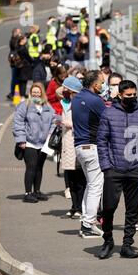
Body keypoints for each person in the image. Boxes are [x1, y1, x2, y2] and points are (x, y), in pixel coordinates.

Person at [97, 80, 138, 259]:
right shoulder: (108, 114)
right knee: (109, 207)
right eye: (128, 95)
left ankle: (127, 244)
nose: (132, 98)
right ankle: (108, 240)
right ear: (120, 95)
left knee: (132, 209)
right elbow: (102, 141)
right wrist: (106, 166)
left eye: (134, 95)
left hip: (135, 170)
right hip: (114, 169)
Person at [72, 70, 105, 238]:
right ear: (95, 84)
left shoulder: (77, 98)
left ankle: (86, 221)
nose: (104, 85)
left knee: (90, 184)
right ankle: (88, 223)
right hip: (92, 147)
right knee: (96, 186)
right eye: (102, 82)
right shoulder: (95, 100)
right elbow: (108, 119)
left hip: (79, 147)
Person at [13, 82, 56, 203]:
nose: (36, 94)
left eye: (38, 92)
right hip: (29, 142)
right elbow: (18, 123)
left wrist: (50, 134)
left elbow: (54, 121)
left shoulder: (48, 107)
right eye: (33, 92)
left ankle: (37, 191)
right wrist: (21, 140)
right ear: (30, 93)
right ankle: (28, 193)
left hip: (43, 143)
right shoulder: (24, 105)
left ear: (42, 93)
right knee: (31, 167)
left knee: (39, 167)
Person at [59, 76, 86, 219]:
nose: (63, 90)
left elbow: (85, 123)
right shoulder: (66, 102)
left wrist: (70, 124)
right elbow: (59, 91)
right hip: (67, 143)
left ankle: (80, 208)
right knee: (71, 179)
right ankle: (74, 206)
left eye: (66, 88)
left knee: (80, 178)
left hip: (77, 142)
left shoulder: (81, 103)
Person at [7, 27, 23, 101]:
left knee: (18, 77)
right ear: (15, 33)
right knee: (14, 78)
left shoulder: (16, 39)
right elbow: (16, 46)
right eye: (19, 32)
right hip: (15, 61)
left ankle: (17, 92)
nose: (20, 33)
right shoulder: (13, 40)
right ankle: (12, 93)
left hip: (18, 60)